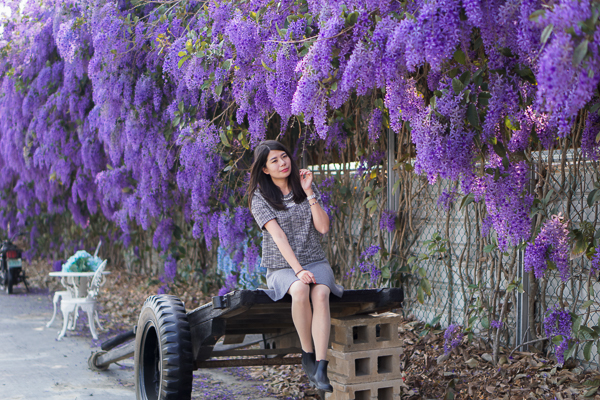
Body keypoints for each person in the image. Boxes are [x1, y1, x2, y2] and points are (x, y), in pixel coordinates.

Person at [247, 140, 343, 392]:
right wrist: (298, 270)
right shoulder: (259, 198)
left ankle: (321, 366)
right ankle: (307, 354)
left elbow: (323, 227)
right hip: (281, 268)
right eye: (274, 160)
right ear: (265, 169)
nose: (282, 163)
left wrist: (309, 192)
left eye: (284, 156)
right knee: (300, 289)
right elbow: (278, 237)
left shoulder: (304, 187)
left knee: (321, 293)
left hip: (315, 260)